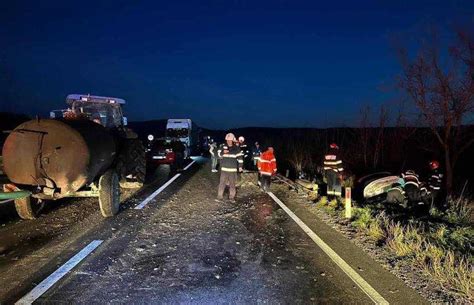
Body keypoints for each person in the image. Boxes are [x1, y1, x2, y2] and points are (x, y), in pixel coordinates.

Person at [217, 133, 242, 202]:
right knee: (222, 183)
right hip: (224, 169)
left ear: (233, 140)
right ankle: (219, 197)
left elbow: (240, 158)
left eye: (230, 140)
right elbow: (218, 155)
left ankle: (231, 198)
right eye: (227, 140)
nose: (229, 141)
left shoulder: (236, 148)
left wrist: (240, 166)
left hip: (232, 170)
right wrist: (223, 152)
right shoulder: (222, 147)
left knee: (232, 184)